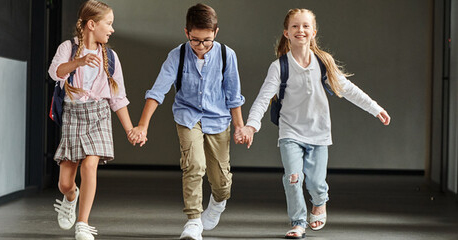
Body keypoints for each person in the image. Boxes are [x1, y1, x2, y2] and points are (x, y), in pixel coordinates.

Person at [238, 8, 391, 239]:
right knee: (293, 177)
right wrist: (251, 125)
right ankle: (298, 221)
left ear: (314, 32)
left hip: (318, 133)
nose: (301, 30)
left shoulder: (323, 62)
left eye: (306, 26)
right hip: (290, 131)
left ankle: (320, 201)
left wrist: (375, 107)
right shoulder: (279, 66)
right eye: (295, 26)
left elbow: (347, 89)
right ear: (286, 33)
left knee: (317, 182)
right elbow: (262, 99)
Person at [128, 3, 246, 240]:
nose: (201, 46)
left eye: (207, 40)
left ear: (216, 32)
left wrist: (240, 126)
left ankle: (218, 201)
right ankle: (193, 221)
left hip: (218, 118)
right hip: (188, 116)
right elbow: (157, 91)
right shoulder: (177, 55)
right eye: (195, 40)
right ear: (186, 33)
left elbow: (233, 95)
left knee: (221, 181)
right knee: (193, 164)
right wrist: (142, 125)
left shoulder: (226, 55)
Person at [47, 1, 135, 239]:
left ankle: (83, 223)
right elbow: (55, 72)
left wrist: (130, 129)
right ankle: (70, 198)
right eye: (109, 23)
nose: (112, 29)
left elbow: (118, 98)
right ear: (91, 24)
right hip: (73, 115)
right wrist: (79, 62)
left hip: (99, 114)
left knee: (90, 165)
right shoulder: (68, 47)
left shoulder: (111, 57)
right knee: (65, 182)